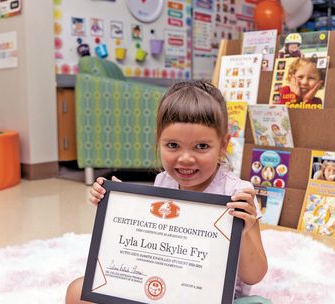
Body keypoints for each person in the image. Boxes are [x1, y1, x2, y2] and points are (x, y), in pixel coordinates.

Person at [65, 80, 268, 303]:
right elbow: (146, 241)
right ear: (159, 142)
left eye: (202, 146)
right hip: (163, 287)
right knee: (77, 292)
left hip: (215, 295)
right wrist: (116, 204)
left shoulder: (238, 192)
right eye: (173, 145)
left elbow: (254, 276)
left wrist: (246, 229)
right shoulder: (163, 181)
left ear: (223, 145)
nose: (186, 158)